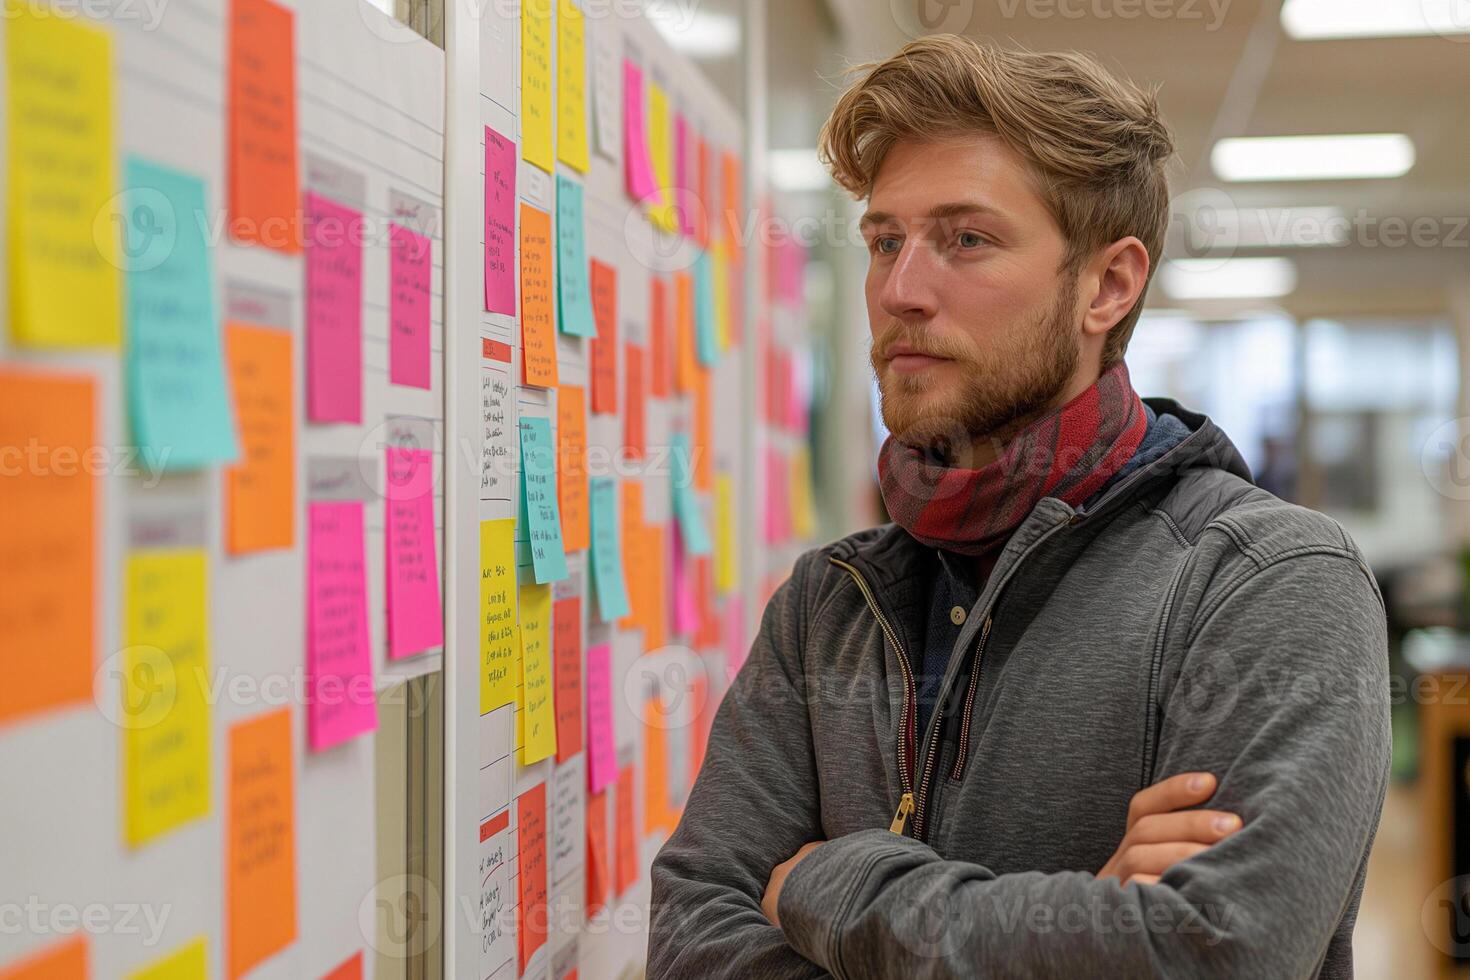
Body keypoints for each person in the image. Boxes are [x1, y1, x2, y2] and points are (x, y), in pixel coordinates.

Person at [647, 34, 1390, 979]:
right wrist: (1078, 922)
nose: (900, 291)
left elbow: (1213, 953)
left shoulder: (1266, 586)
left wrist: (824, 885)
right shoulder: (827, 605)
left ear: (1108, 286)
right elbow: (688, 938)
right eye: (884, 241)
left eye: (967, 238)